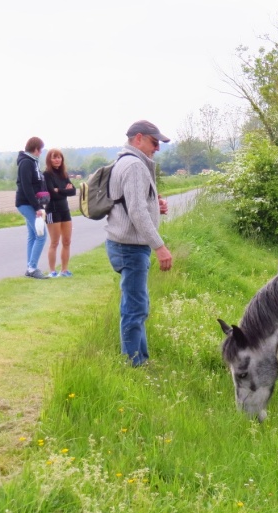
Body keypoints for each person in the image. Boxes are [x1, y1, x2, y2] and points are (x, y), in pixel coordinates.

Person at [105, 120, 173, 366]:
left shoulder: (126, 161)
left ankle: (139, 359)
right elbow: (136, 211)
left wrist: (157, 206)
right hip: (130, 248)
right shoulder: (134, 165)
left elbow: (135, 204)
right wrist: (160, 246)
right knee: (135, 308)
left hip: (126, 245)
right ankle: (134, 364)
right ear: (139, 138)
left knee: (137, 304)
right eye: (155, 142)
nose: (157, 148)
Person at [15, 136, 50, 279]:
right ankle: (33, 267)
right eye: (40, 149)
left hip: (28, 203)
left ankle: (30, 267)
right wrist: (36, 207)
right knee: (41, 235)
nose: (41, 152)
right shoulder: (26, 163)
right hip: (26, 203)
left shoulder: (32, 162)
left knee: (32, 235)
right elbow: (26, 186)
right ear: (35, 149)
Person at [43, 149, 76, 277]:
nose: (57, 160)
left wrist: (59, 190)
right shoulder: (46, 175)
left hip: (65, 211)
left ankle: (64, 270)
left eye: (59, 157)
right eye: (54, 157)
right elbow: (52, 194)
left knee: (67, 241)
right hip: (53, 211)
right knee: (55, 242)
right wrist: (63, 190)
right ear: (49, 160)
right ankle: (52, 271)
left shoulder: (64, 174)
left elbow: (73, 191)